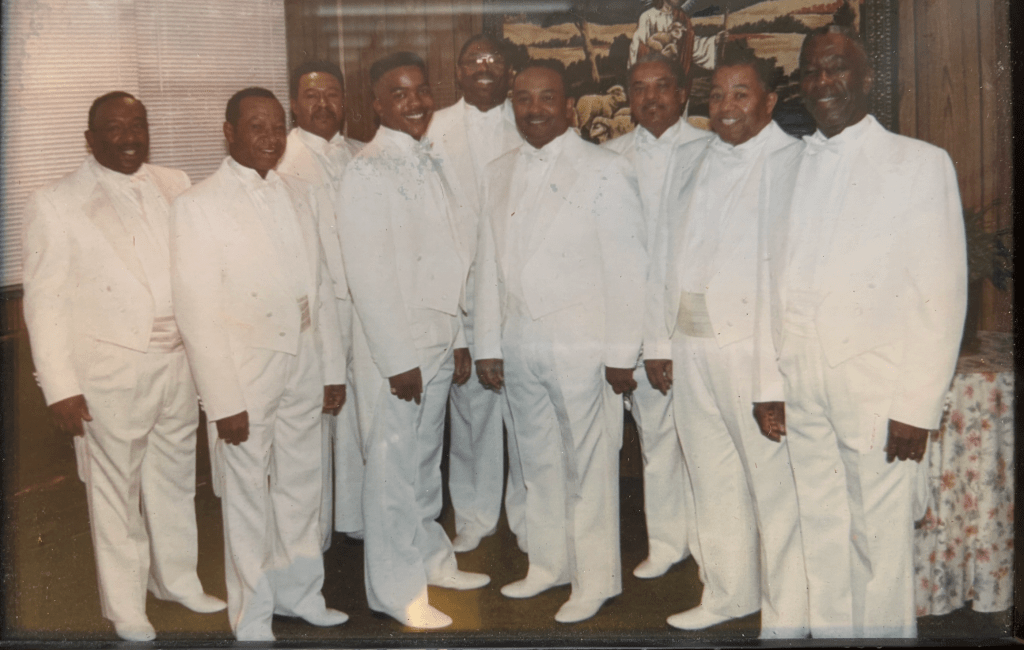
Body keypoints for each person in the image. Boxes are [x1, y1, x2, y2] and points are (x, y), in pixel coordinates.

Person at [752, 25, 967, 638]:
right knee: (820, 527)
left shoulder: (919, 163)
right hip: (804, 386)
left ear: (867, 78)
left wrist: (916, 407)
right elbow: (774, 284)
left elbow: (941, 296)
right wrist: (770, 382)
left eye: (836, 68)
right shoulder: (787, 167)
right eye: (811, 72)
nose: (823, 83)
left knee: (879, 545)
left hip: (878, 391)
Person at [21, 91, 226, 643]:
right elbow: (44, 304)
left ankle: (177, 580)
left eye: (139, 124)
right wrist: (59, 388)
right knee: (114, 492)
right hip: (108, 373)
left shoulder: (175, 182)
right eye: (115, 128)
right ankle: (126, 605)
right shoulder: (54, 202)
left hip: (177, 363)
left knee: (175, 479)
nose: (131, 136)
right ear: (90, 140)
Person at [170, 87, 348, 641]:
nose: (271, 138)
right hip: (244, 372)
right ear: (229, 133)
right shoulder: (196, 205)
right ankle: (252, 616)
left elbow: (320, 289)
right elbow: (196, 313)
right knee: (247, 495)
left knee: (302, 484)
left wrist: (332, 369)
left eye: (277, 127)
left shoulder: (301, 192)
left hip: (303, 358)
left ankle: (301, 594)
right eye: (256, 128)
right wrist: (223, 401)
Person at [474, 60, 646, 624]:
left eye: (546, 98)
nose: (534, 109)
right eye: (523, 99)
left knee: (588, 464)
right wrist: (488, 345)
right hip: (519, 340)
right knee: (537, 461)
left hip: (582, 345)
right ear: (512, 105)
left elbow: (627, 269)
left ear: (568, 105)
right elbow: (489, 269)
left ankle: (596, 579)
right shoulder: (499, 170)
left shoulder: (604, 169)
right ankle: (548, 564)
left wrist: (623, 355)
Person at [644, 51, 809, 636]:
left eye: (741, 94)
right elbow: (665, 255)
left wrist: (773, 380)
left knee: (774, 488)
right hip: (690, 345)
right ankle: (728, 593)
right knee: (710, 479)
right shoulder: (691, 160)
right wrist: (658, 342)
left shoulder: (795, 162)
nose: (726, 106)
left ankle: (788, 613)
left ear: (768, 101)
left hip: (753, 352)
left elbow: (787, 279)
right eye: (716, 95)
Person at [336, 52, 489, 630]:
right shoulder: (367, 170)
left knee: (425, 463)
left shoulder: (431, 158)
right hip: (394, 353)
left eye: (421, 91)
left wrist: (458, 334)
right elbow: (368, 275)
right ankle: (396, 591)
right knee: (393, 473)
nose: (416, 102)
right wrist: (399, 359)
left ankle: (430, 560)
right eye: (399, 94)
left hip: (438, 335)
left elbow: (451, 252)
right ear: (375, 105)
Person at [602, 52, 709, 581]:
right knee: (657, 440)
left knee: (709, 441)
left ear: (683, 90)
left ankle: (714, 547)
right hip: (639, 322)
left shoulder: (712, 148)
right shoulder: (609, 157)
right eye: (639, 88)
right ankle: (668, 542)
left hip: (697, 325)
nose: (651, 98)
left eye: (662, 86)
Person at [426, 34, 526, 554]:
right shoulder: (433, 128)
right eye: (473, 61)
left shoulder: (531, 119)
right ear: (458, 73)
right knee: (472, 414)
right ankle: (475, 514)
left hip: (520, 293)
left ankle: (529, 518)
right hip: (462, 292)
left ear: (509, 71)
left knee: (527, 411)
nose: (484, 68)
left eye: (494, 60)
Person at [276, 60, 365, 549]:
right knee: (315, 418)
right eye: (311, 95)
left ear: (344, 101)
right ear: (294, 103)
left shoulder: (360, 153)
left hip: (362, 304)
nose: (322, 104)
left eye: (331, 94)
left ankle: (353, 515)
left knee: (355, 413)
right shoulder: (279, 160)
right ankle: (315, 533)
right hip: (314, 311)